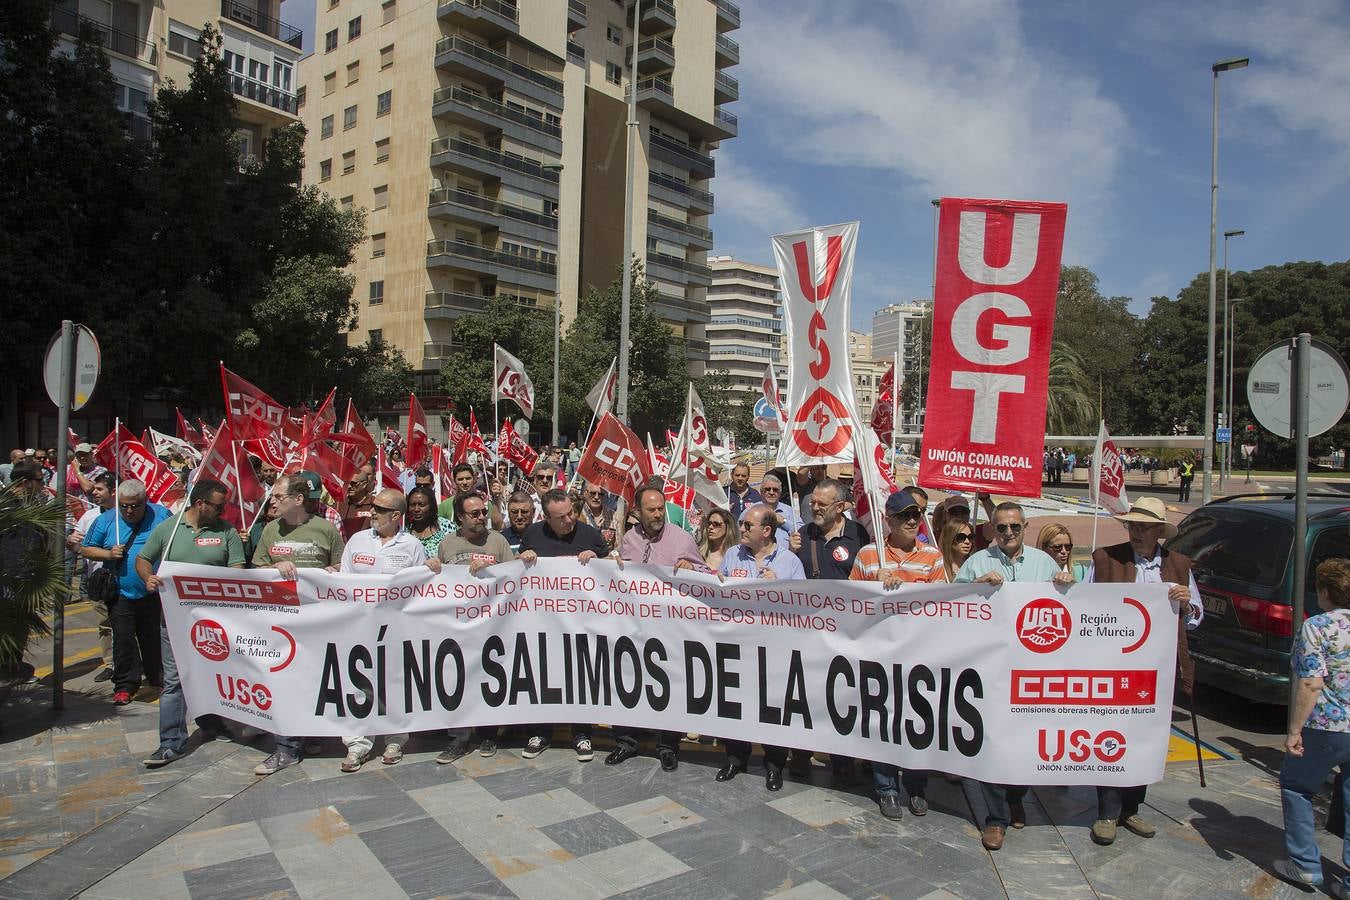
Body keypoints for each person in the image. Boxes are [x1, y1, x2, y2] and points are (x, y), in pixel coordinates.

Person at [1086, 496, 1203, 846]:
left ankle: (1131, 807)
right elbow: (1086, 606)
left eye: (1142, 527)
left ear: (1158, 532)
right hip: (1114, 665)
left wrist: (1188, 603)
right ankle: (1107, 811)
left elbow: (1196, 618)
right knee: (1111, 734)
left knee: (1145, 739)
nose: (1135, 532)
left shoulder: (1179, 566)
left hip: (1157, 670)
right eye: (1131, 525)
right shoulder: (1106, 559)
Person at [955, 501, 1069, 851]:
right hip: (991, 669)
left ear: (1025, 527)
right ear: (992, 528)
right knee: (992, 742)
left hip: (1032, 670)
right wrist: (975, 585)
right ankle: (995, 817)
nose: (1007, 533)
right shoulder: (977, 562)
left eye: (1014, 527)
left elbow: (1067, 608)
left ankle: (1015, 796)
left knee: (1024, 741)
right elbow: (952, 605)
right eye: (1001, 527)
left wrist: (1067, 581)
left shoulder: (1044, 562)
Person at [135, 478, 245, 767]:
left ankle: (211, 723)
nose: (223, 513)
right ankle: (170, 742)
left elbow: (237, 569)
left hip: (216, 623)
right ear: (200, 504)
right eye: (219, 507)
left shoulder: (227, 532)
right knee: (174, 681)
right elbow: (144, 559)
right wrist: (148, 577)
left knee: (213, 675)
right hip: (174, 620)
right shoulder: (169, 530)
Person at [850, 488, 945, 818]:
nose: (912, 520)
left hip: (919, 653)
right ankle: (887, 787)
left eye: (916, 515)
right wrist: (873, 587)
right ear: (887, 520)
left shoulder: (933, 557)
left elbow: (941, 604)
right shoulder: (867, 556)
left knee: (918, 722)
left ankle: (916, 785)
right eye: (904, 515)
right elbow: (849, 604)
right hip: (880, 654)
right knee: (884, 721)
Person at [607, 485, 710, 771]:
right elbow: (622, 577)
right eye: (650, 509)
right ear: (637, 512)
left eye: (660, 508)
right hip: (635, 628)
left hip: (670, 631)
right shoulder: (629, 538)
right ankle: (627, 740)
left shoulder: (681, 538)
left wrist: (691, 569)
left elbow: (705, 575)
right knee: (629, 683)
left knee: (669, 687)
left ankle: (668, 746)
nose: (657, 514)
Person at [251, 473, 345, 775]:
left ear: (298, 499)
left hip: (317, 622)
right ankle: (286, 747)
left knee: (314, 680)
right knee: (283, 681)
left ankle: (310, 734)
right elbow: (256, 568)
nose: (272, 500)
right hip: (280, 622)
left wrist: (333, 571)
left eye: (279, 496)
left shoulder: (326, 530)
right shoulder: (269, 530)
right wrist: (273, 567)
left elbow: (344, 566)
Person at [518, 489, 612, 761]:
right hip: (544, 624)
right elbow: (516, 573)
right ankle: (541, 732)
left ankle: (582, 733)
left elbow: (610, 571)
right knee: (545, 677)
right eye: (561, 517)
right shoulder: (533, 534)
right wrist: (523, 559)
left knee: (579, 678)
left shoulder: (589, 534)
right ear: (547, 518)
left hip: (583, 624)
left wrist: (598, 561)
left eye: (571, 512)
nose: (570, 519)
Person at [716, 504, 806, 792]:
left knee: (772, 707)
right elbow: (719, 593)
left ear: (766, 531)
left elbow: (806, 603)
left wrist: (779, 587)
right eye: (742, 525)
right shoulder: (732, 555)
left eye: (747, 526)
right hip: (739, 643)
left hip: (775, 645)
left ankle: (774, 765)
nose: (740, 529)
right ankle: (735, 758)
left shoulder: (790, 562)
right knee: (735, 702)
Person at [337, 488, 427, 771]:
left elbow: (420, 589)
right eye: (373, 506)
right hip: (359, 626)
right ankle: (357, 743)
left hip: (396, 629)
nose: (372, 512)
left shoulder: (412, 546)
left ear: (396, 516)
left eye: (379, 508)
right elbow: (343, 581)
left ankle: (395, 739)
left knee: (395, 681)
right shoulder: (357, 541)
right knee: (359, 681)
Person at [1274, 558, 1350, 893]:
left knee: (1297, 786)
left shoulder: (1318, 626)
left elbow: (1311, 683)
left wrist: (1294, 731)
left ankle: (1305, 865)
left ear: (1324, 591)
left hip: (1326, 725)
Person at [789, 477, 866, 783]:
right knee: (804, 694)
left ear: (841, 506)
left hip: (845, 633)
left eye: (822, 504)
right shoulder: (803, 534)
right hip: (808, 631)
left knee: (842, 696)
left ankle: (843, 760)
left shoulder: (858, 535)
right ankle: (801, 755)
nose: (815, 508)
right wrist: (790, 553)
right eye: (813, 504)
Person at [433, 490, 516, 763]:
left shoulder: (498, 541)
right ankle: (459, 738)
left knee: (489, 679)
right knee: (458, 680)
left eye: (483, 512)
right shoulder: (447, 544)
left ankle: (488, 732)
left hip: (493, 627)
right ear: (460, 517)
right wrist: (431, 567)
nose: (482, 517)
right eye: (475, 513)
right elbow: (437, 584)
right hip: (458, 627)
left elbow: (514, 581)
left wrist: (492, 571)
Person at [81, 479, 171, 705]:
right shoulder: (105, 520)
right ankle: (124, 685)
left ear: (145, 501)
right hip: (120, 592)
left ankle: (157, 679)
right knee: (123, 640)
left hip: (152, 590)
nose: (129, 511)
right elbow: (86, 548)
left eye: (135, 506)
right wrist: (108, 555)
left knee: (152, 638)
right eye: (124, 506)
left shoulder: (162, 515)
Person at [70, 472, 117, 681]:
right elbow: (75, 546)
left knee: (129, 626)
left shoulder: (128, 513)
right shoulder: (88, 516)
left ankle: (135, 662)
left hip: (123, 579)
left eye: (100, 489)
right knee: (105, 625)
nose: (94, 492)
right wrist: (71, 542)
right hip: (97, 581)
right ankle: (110, 664)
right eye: (94, 489)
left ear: (113, 491)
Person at [757, 473, 803, 549]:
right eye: (767, 489)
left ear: (780, 493)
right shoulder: (751, 510)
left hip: (784, 558)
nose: (771, 492)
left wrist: (784, 522)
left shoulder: (789, 511)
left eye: (775, 490)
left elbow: (801, 531)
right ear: (761, 491)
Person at [579, 481, 625, 556]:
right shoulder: (578, 513)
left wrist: (611, 555)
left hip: (606, 563)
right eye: (593, 493)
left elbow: (619, 547)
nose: (596, 497)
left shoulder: (613, 515)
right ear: (585, 493)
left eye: (601, 494)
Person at [406, 485, 454, 556]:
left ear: (431, 505)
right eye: (412, 505)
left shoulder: (447, 527)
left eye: (421, 505)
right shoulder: (404, 530)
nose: (416, 509)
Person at [338, 462, 377, 540]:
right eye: (347, 483)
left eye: (353, 483)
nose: (349, 486)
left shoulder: (375, 504)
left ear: (364, 484)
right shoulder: (339, 504)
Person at [696, 507, 737, 571]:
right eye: (709, 523)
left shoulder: (737, 557)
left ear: (728, 527)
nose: (710, 527)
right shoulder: (699, 554)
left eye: (716, 524)